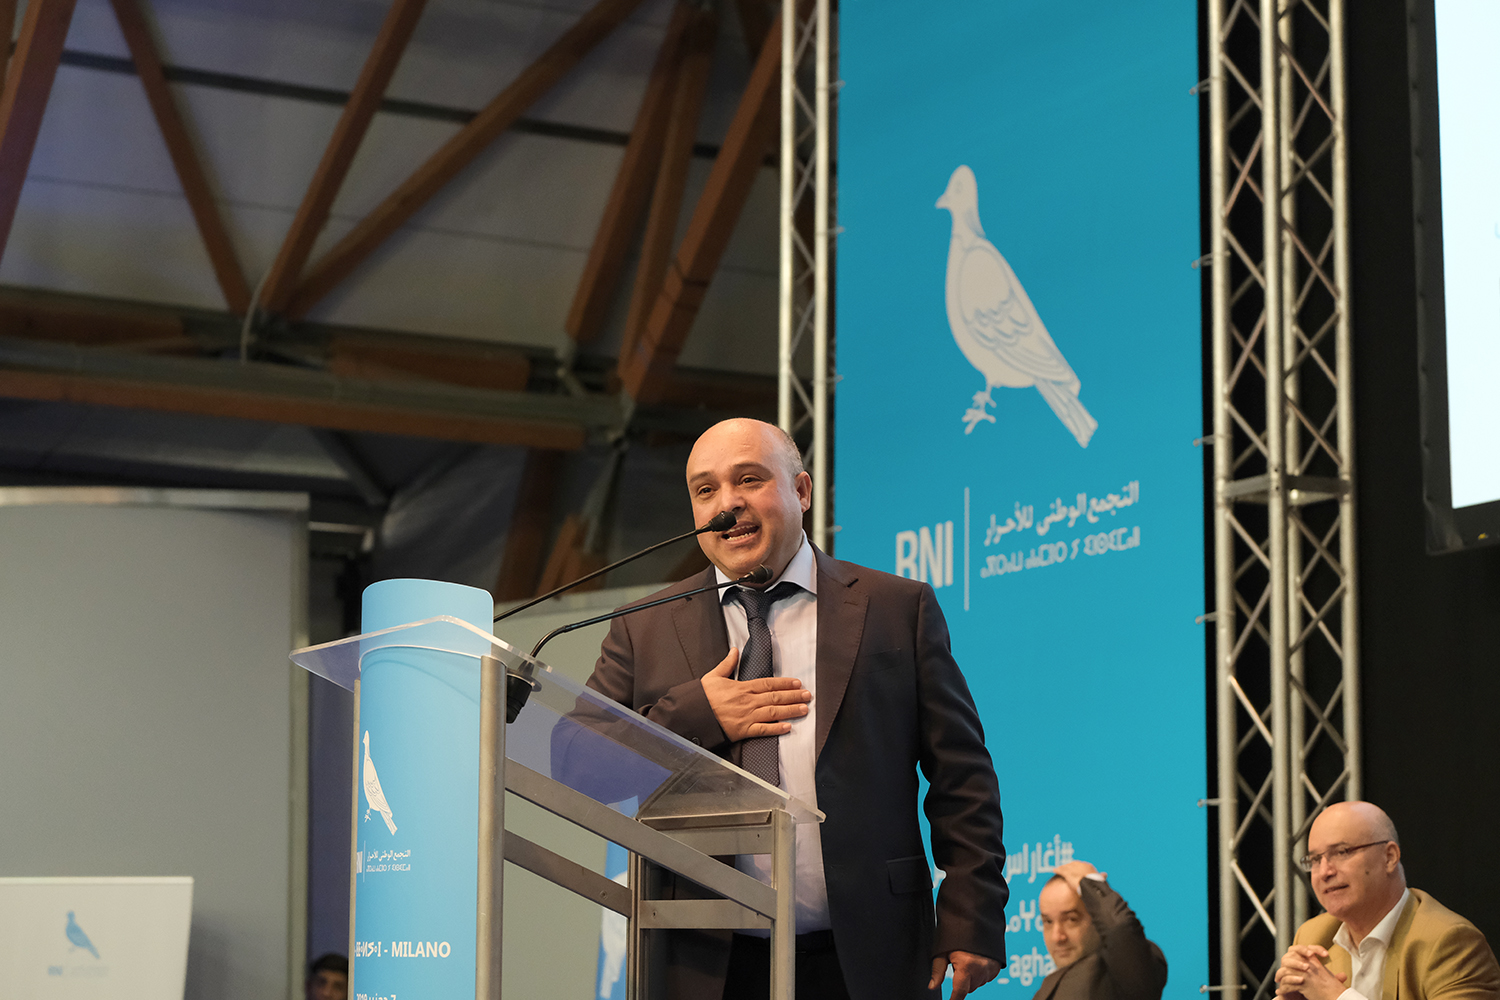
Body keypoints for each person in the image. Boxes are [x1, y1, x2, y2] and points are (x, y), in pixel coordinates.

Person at [583, 418, 1008, 1000]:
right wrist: (694, 715)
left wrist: (971, 913)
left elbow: (963, 777)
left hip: (868, 957)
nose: (727, 505)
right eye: (706, 490)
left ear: (801, 491)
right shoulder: (644, 626)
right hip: (706, 966)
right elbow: (577, 762)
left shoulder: (894, 608)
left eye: (749, 480)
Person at [1274, 801, 1500, 1000]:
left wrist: (1335, 996)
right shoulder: (1314, 937)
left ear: (1389, 857)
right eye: (1315, 859)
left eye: (1342, 852)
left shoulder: (1450, 942)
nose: (1324, 872)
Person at [1032, 860, 1167, 1000]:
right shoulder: (1045, 990)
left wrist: (1091, 884)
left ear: (1097, 918)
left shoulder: (1128, 967)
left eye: (1071, 920)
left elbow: (1119, 929)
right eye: (1048, 921)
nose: (1057, 937)